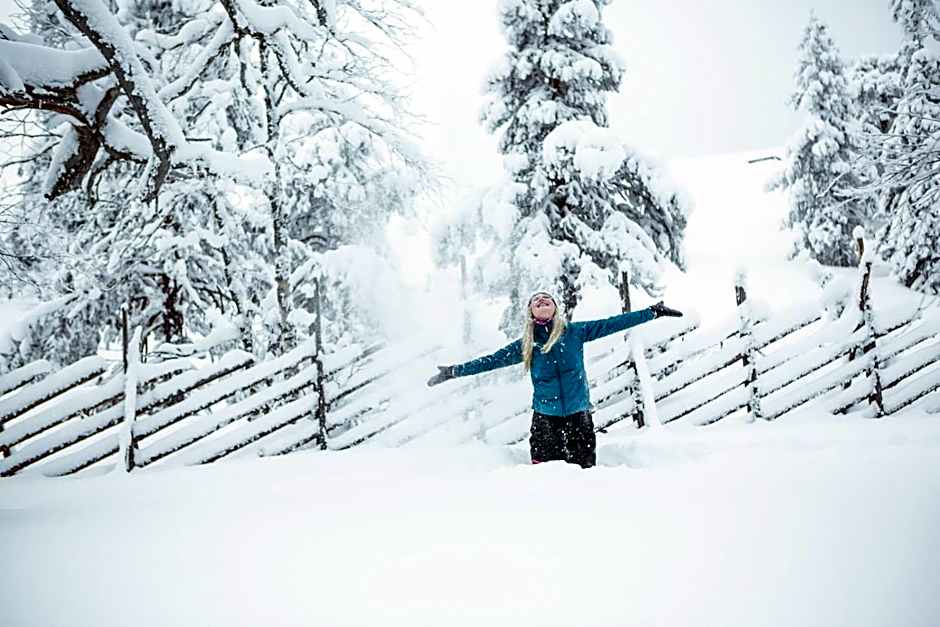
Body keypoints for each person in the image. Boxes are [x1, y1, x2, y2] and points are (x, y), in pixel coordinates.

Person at [427, 290, 683, 468]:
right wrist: (454, 371)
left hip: (578, 415)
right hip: (545, 420)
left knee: (584, 473)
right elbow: (491, 360)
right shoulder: (528, 344)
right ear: (531, 311)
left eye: (547, 299)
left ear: (555, 308)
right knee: (545, 477)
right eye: (536, 300)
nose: (541, 300)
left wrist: (652, 312)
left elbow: (613, 323)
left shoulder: (575, 332)